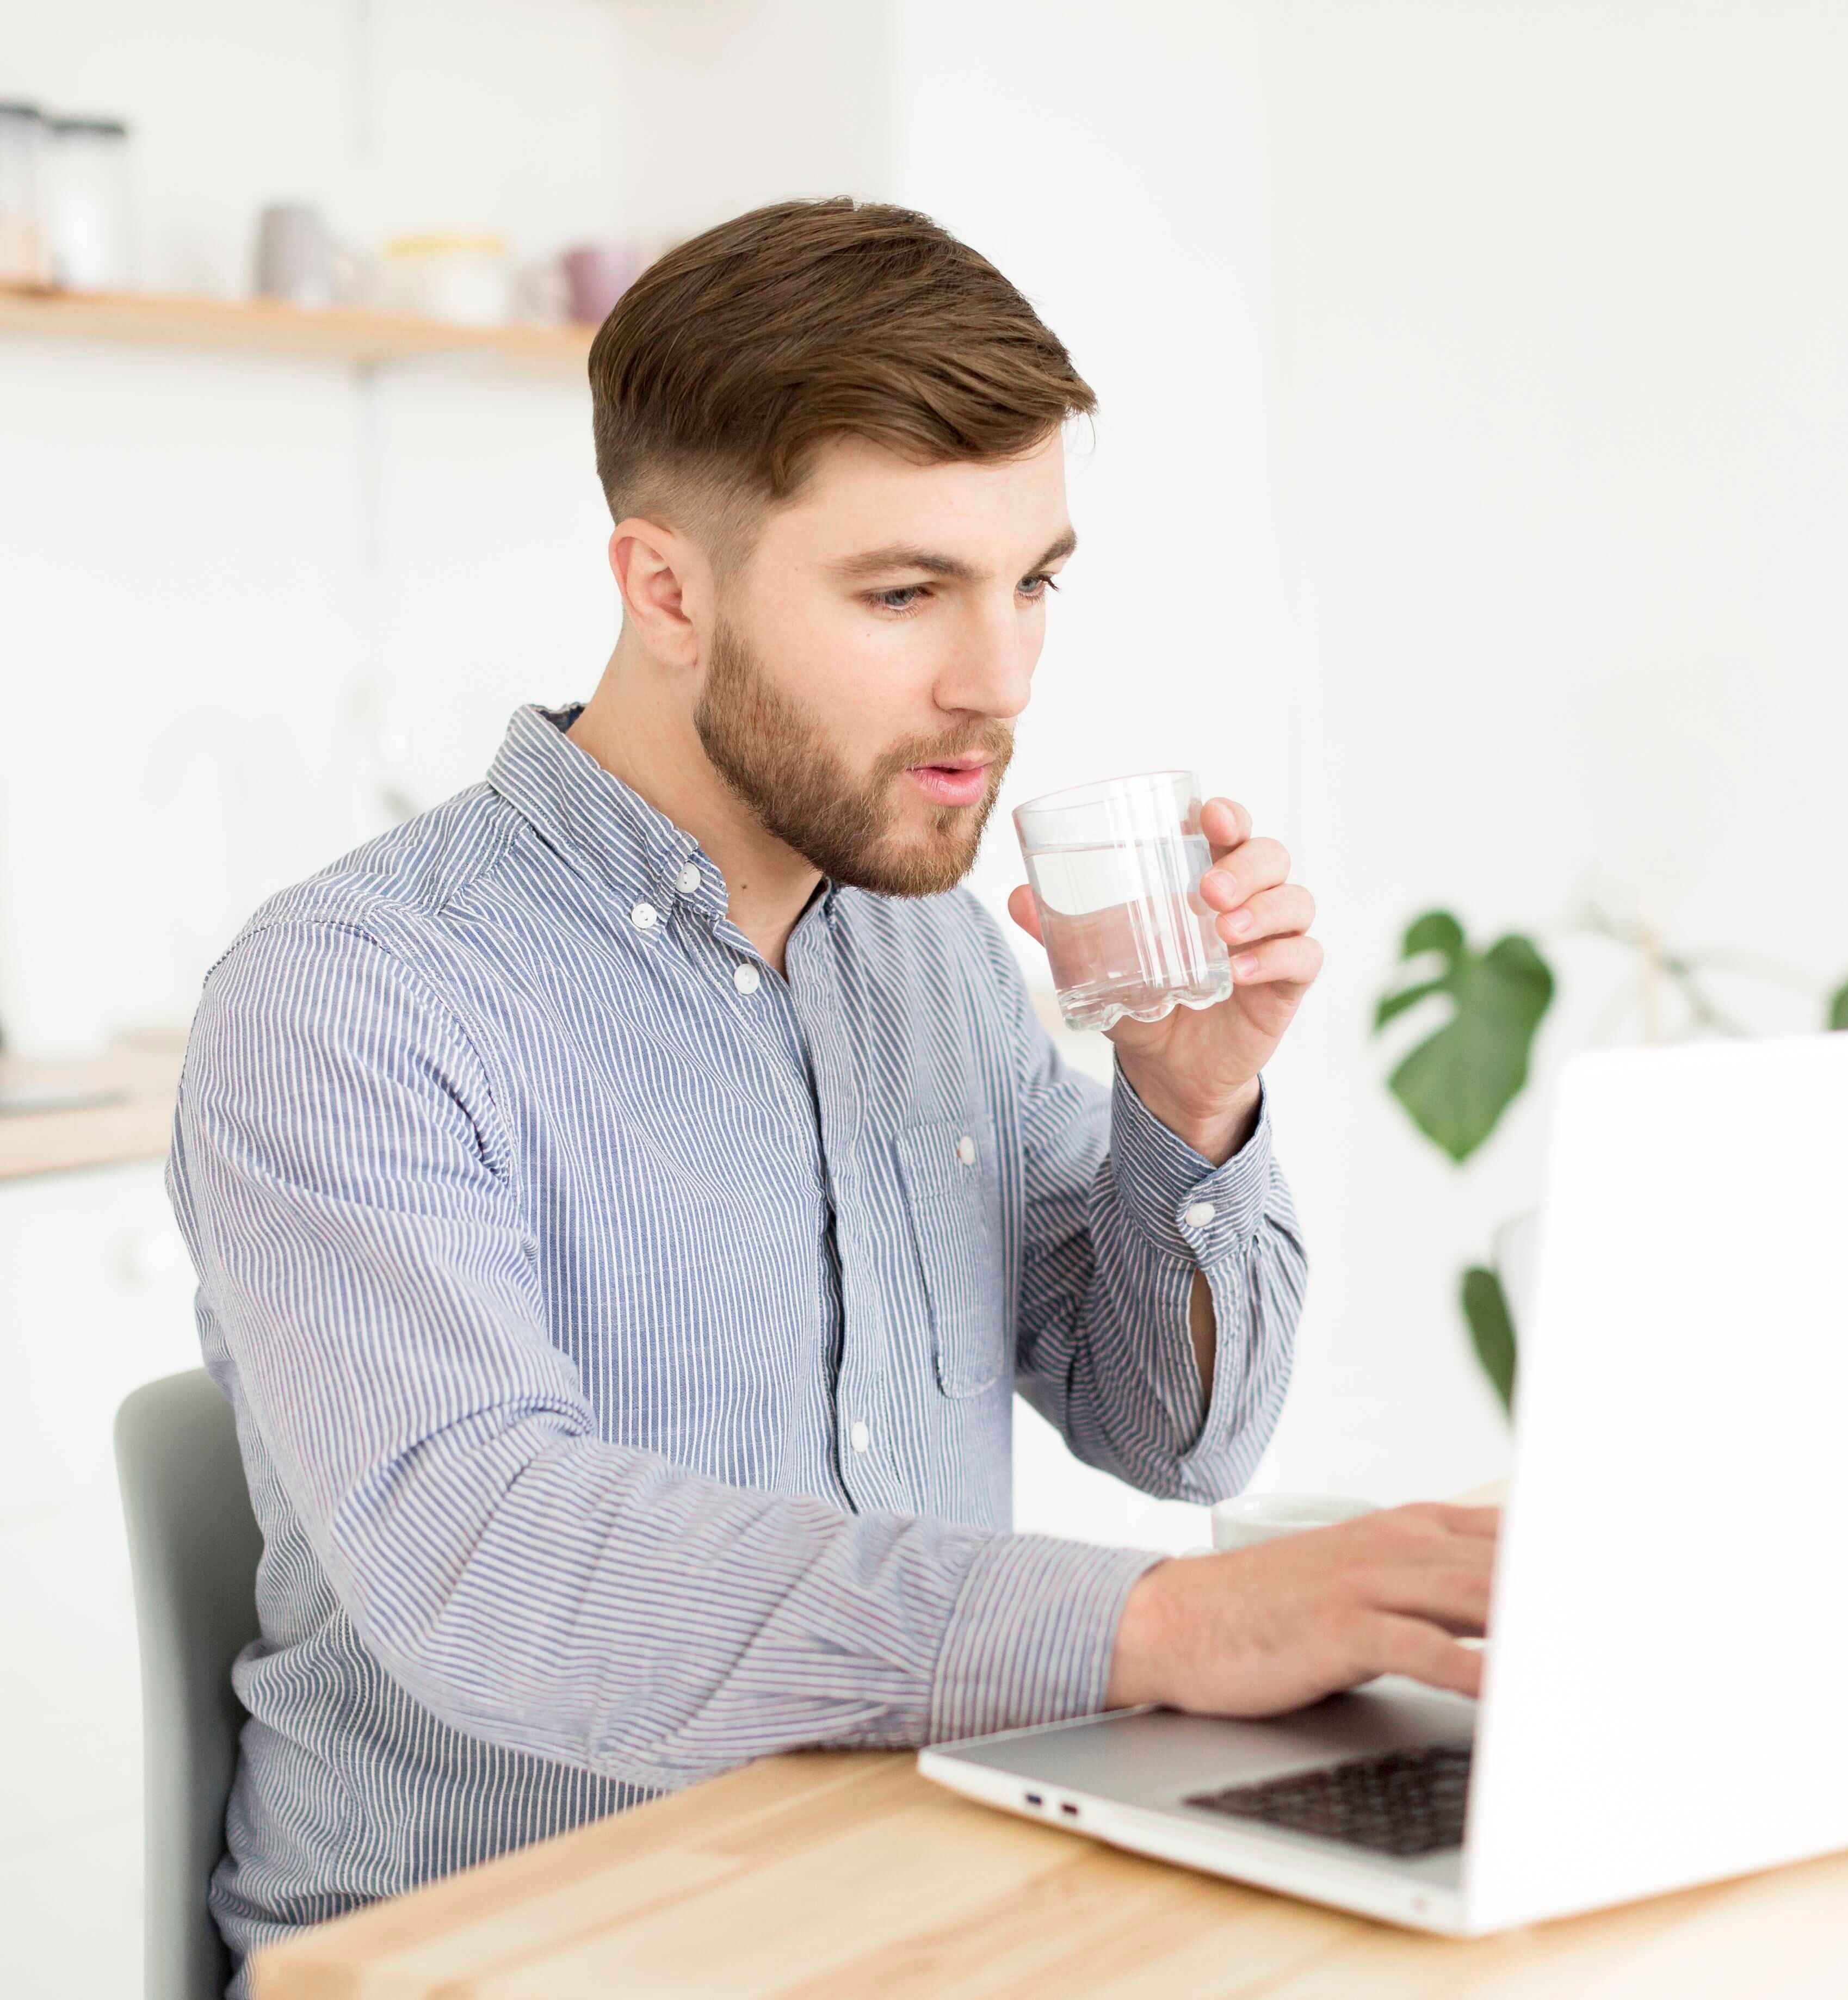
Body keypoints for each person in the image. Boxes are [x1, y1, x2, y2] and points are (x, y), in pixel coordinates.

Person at [166, 197, 1495, 1989]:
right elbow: (503, 1568)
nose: (999, 681)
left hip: (896, 1900)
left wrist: (1184, 1114)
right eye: (904, 593)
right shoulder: (355, 999)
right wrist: (1158, 1628)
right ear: (666, 589)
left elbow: (1172, 1438)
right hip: (503, 1953)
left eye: (1032, 581)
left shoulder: (921, 951)